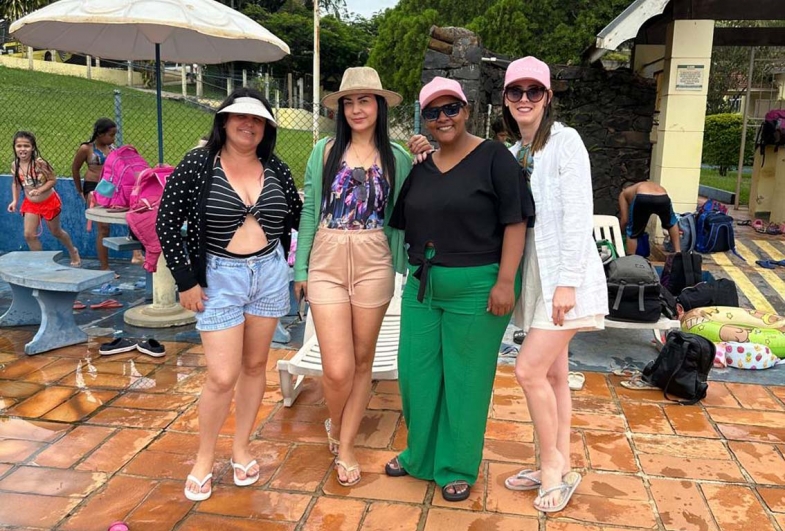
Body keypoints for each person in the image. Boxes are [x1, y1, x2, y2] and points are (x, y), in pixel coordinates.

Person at [385, 77, 532, 502]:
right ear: (424, 120)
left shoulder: (494, 158)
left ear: (466, 110)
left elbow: (516, 221)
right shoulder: (423, 167)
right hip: (424, 285)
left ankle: (456, 465)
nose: (443, 118)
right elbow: (403, 219)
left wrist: (505, 281)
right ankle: (419, 456)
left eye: (451, 108)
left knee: (465, 380)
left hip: (479, 286)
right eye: (433, 112)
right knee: (415, 374)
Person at [156, 88, 302, 501]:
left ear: (267, 128)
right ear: (224, 120)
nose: (249, 124)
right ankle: (204, 459)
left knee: (255, 366)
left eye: (258, 119)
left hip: (269, 274)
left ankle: (241, 448)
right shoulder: (198, 163)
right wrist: (186, 280)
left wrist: (305, 267)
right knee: (222, 376)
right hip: (219, 278)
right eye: (241, 116)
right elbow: (166, 221)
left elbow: (296, 217)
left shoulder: (276, 168)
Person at [293, 66, 428, 487]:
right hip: (326, 257)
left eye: (364, 100)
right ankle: (337, 423)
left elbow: (414, 208)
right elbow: (310, 209)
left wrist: (426, 155)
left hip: (374, 260)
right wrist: (301, 268)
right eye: (348, 102)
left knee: (362, 360)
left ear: (379, 106)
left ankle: (346, 444)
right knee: (337, 369)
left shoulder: (398, 157)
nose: (356, 109)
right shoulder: (324, 151)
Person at [501, 57, 607, 513]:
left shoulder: (566, 142)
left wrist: (567, 283)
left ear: (547, 97)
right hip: (535, 276)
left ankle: (550, 468)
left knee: (528, 371)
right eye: (516, 91)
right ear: (506, 99)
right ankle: (560, 464)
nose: (524, 99)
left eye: (534, 91)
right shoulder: (513, 153)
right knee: (555, 375)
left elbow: (578, 214)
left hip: (565, 277)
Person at [71, 118, 143, 270]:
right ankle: (105, 267)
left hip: (111, 188)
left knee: (132, 216)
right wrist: (80, 190)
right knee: (103, 228)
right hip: (94, 188)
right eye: (111, 135)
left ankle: (136, 254)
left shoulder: (113, 148)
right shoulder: (86, 148)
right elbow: (75, 168)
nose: (113, 138)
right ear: (100, 134)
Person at [7, 131, 80, 267]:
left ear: (33, 148)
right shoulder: (15, 165)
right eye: (19, 146)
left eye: (26, 146)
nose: (22, 149)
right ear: (15, 147)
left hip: (49, 202)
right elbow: (15, 183)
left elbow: (52, 180)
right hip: (31, 204)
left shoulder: (39, 164)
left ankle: (73, 250)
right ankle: (40, 262)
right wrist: (15, 200)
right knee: (29, 234)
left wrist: (39, 190)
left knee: (56, 232)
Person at [619, 181, 680, 256]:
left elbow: (624, 220)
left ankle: (631, 258)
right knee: (671, 222)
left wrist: (620, 233)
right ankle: (678, 252)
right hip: (663, 196)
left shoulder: (624, 193)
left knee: (632, 231)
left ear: (623, 189)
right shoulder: (642, 185)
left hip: (642, 197)